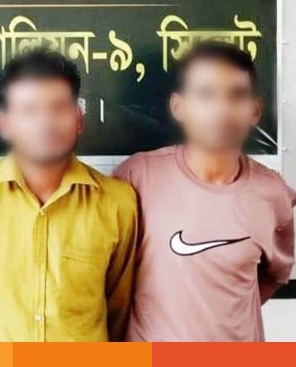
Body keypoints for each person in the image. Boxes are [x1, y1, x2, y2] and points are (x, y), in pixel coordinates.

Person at [0, 49, 138, 342]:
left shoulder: (118, 203)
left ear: (79, 119)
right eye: (29, 111)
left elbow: (117, 305)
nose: (45, 123)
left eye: (59, 108)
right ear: (4, 124)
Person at [114, 41, 295, 341]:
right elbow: (112, 279)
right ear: (179, 107)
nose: (221, 110)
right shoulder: (137, 177)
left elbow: (273, 276)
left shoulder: (273, 193)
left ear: (255, 110)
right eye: (206, 95)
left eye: (236, 95)